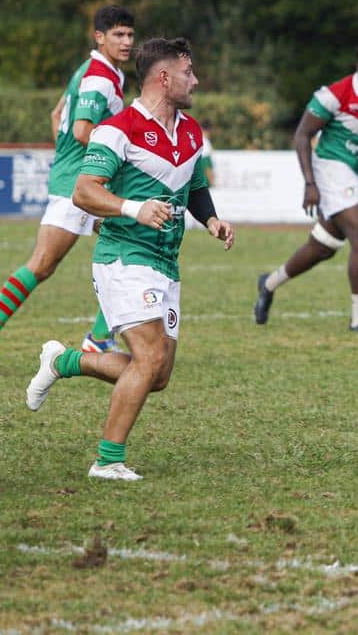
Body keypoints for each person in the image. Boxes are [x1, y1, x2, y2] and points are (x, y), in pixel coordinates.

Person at [25, 37, 234, 481]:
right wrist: (132, 208)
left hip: (165, 262)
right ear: (163, 77)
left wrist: (211, 219)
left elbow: (194, 184)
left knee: (158, 374)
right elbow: (84, 191)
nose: (195, 80)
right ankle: (108, 460)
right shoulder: (118, 129)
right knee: (149, 357)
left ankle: (64, 361)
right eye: (188, 72)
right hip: (123, 256)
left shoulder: (191, 130)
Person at [0, 5, 135, 376]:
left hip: (81, 177)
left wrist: (68, 155)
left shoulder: (95, 72)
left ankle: (100, 337)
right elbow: (80, 129)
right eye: (118, 34)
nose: (126, 41)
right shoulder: (100, 78)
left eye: (130, 35)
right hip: (79, 183)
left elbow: (58, 115)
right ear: (99, 37)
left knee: (126, 244)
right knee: (43, 264)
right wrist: (118, 153)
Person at [254, 39, 358, 332]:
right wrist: (310, 183)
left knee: (323, 247)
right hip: (330, 168)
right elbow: (302, 134)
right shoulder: (334, 95)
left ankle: (269, 283)